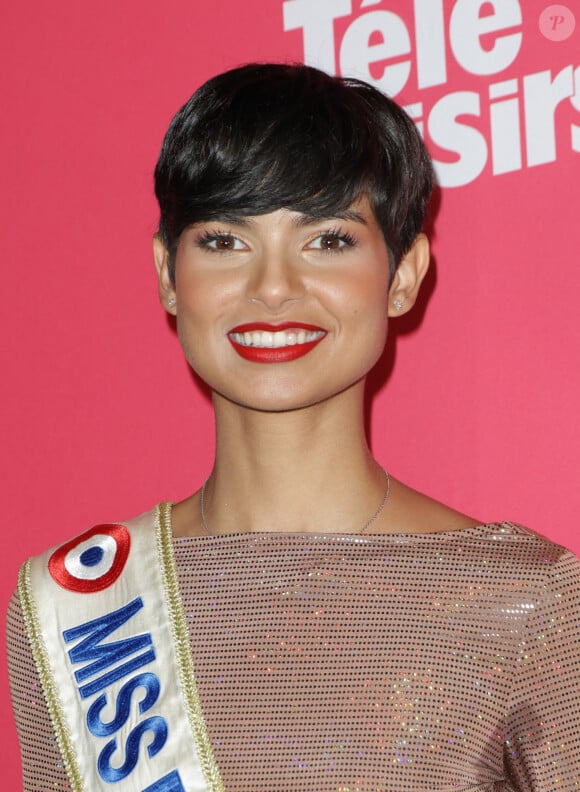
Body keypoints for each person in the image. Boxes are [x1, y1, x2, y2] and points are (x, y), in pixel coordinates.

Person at [7, 63, 580, 791]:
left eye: (329, 241)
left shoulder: (525, 602)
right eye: (224, 241)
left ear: (403, 275)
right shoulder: (75, 606)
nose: (273, 287)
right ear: (166, 274)